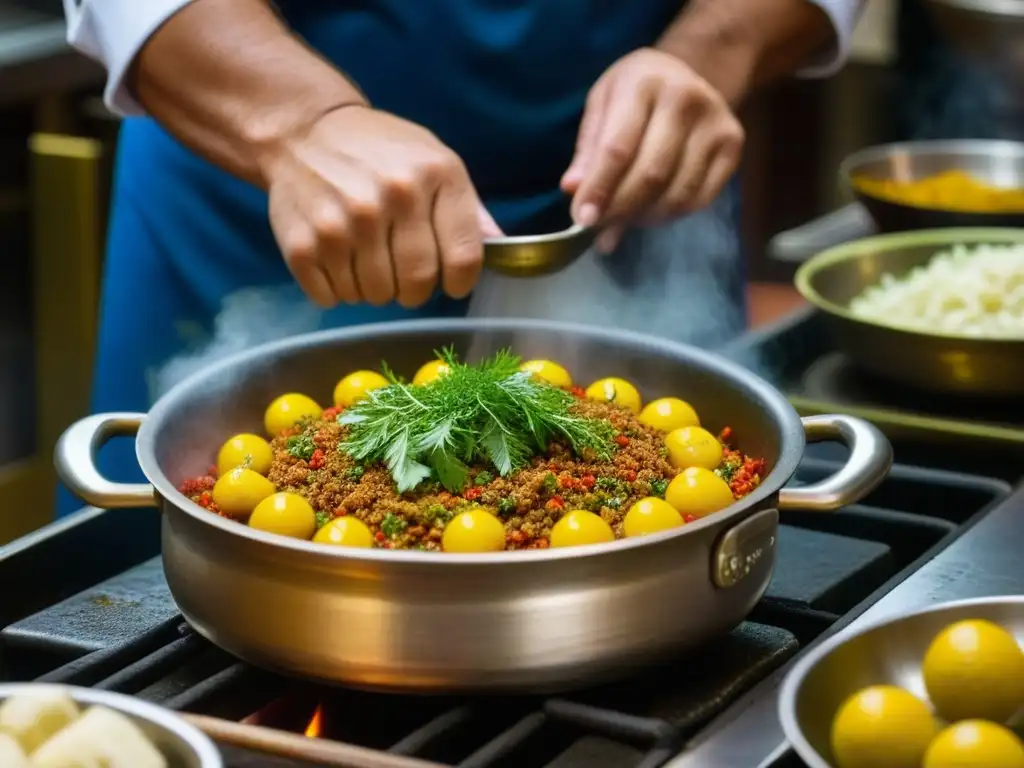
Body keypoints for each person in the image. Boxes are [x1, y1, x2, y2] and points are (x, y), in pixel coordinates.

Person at [59, 0, 862, 517]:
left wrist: (713, 50)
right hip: (251, 161)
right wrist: (296, 124)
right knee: (155, 598)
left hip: (639, 170)